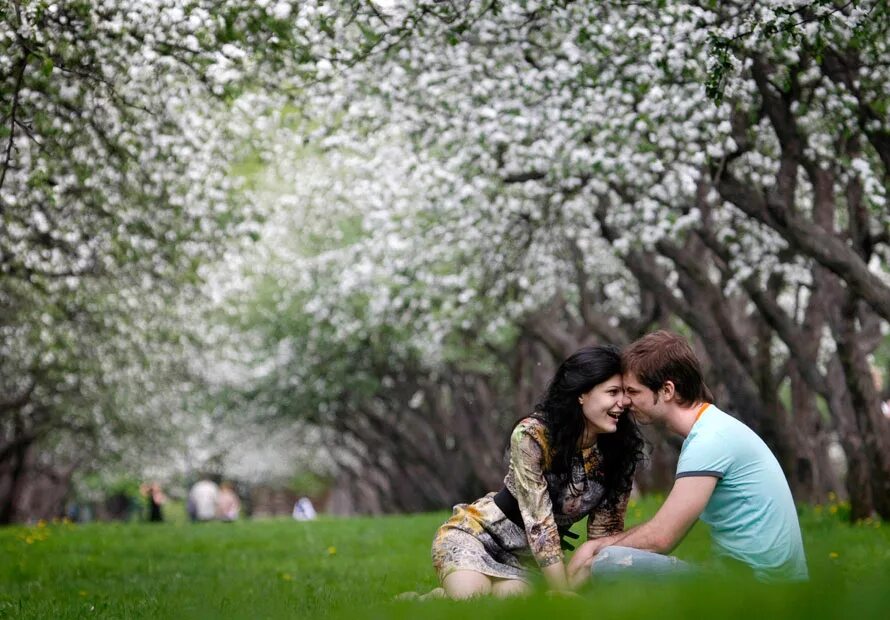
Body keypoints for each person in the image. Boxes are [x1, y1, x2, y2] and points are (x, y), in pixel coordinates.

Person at [567, 330, 809, 584]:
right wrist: (599, 545)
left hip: (763, 590)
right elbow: (663, 526)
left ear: (667, 390)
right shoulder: (712, 430)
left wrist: (596, 552)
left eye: (633, 391)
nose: (625, 401)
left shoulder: (710, 441)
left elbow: (661, 538)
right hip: (746, 580)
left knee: (608, 564)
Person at [430, 345, 645, 599]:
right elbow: (539, 523)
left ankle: (434, 599)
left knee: (510, 602)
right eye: (612, 392)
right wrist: (562, 591)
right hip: (479, 537)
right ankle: (441, 596)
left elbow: (605, 534)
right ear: (581, 395)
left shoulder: (621, 451)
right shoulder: (533, 435)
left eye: (625, 393)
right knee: (471, 598)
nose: (623, 403)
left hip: (532, 562)